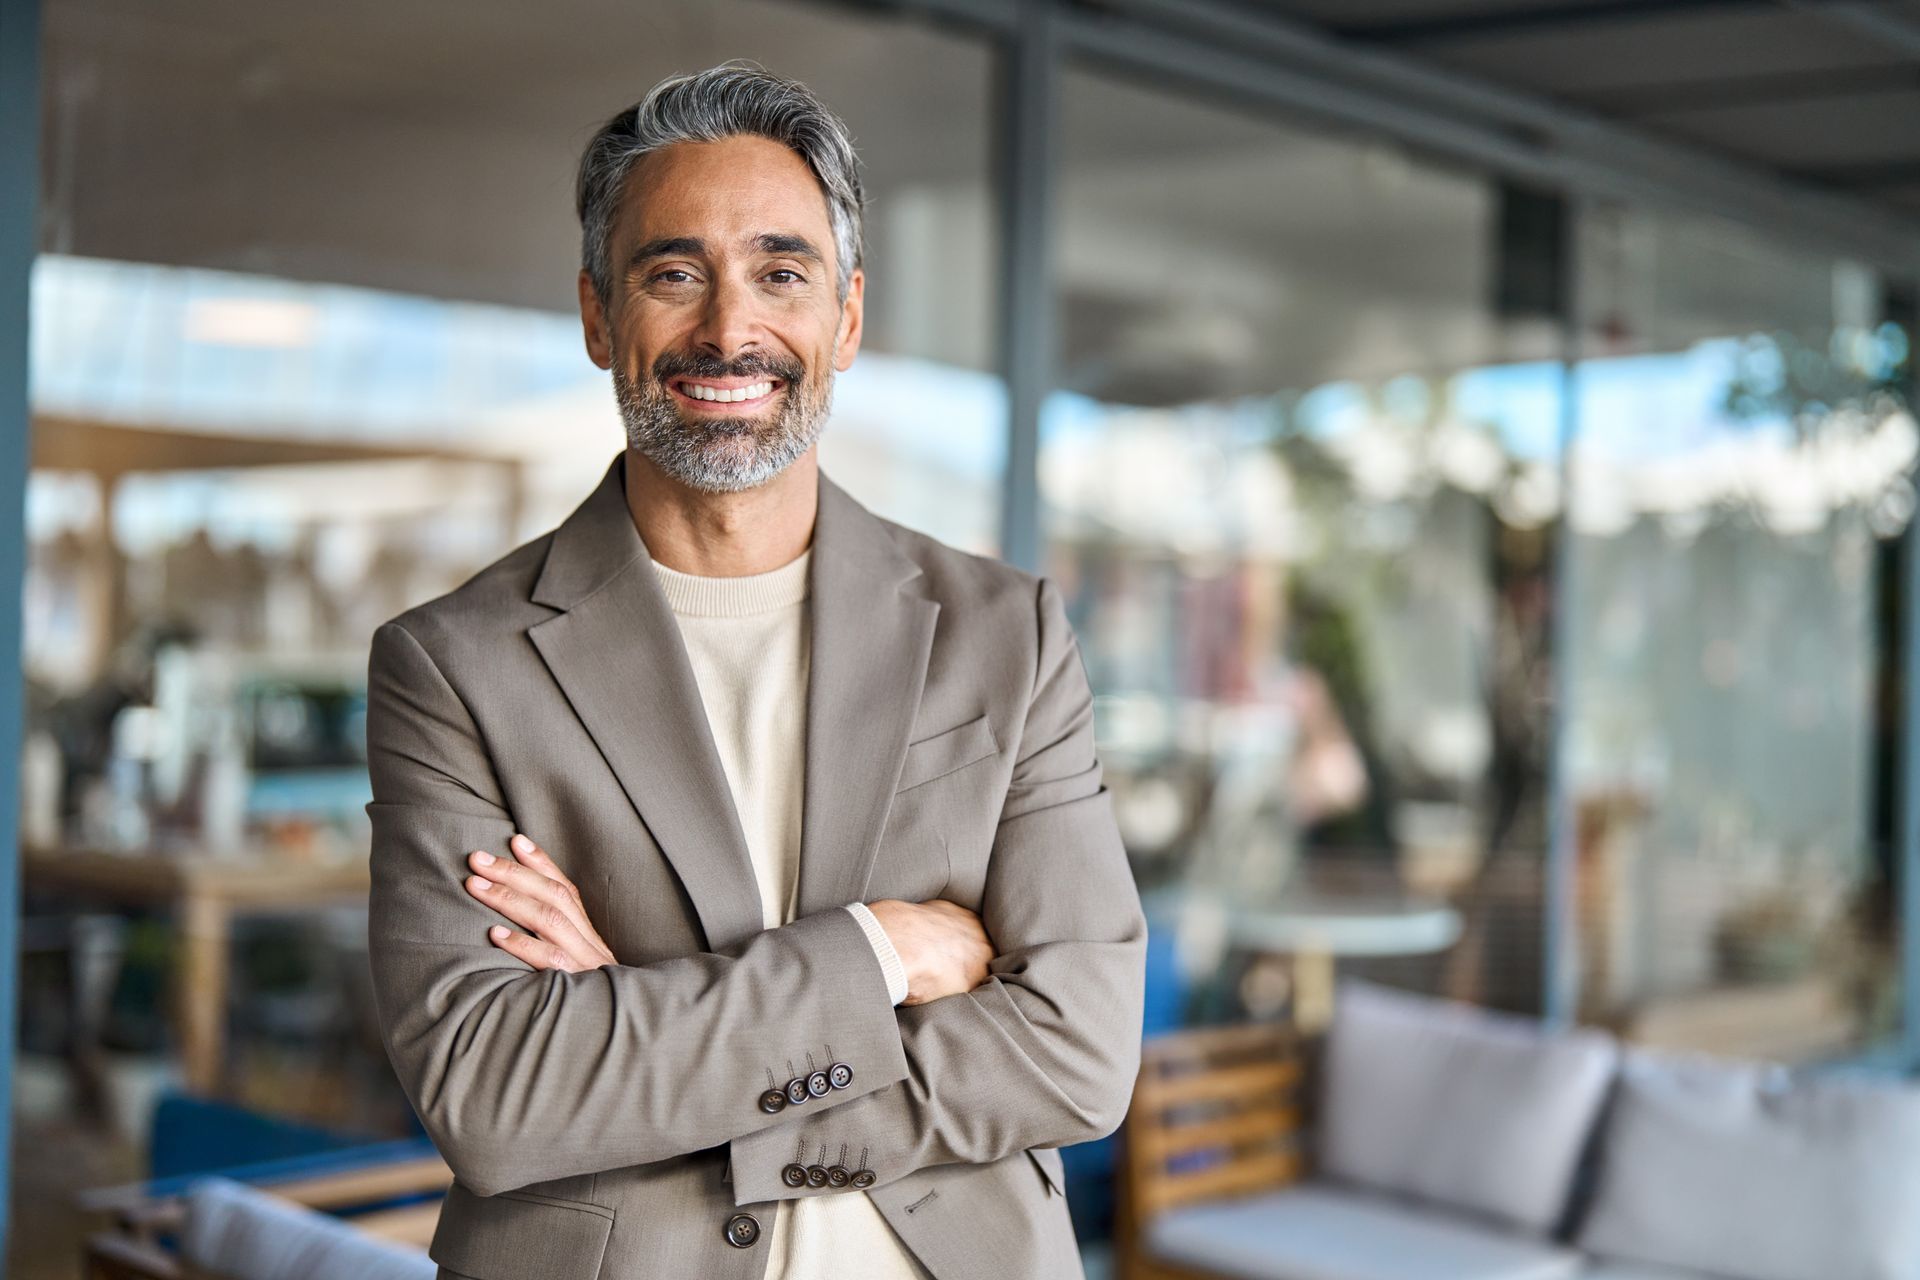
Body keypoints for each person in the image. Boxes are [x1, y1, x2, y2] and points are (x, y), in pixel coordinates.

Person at [362, 62, 1147, 1280]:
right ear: (595, 314)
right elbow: (497, 1090)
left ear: (845, 318)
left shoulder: (1011, 631)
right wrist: (881, 953)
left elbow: (1078, 1051)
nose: (730, 329)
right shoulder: (452, 664)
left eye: (782, 273)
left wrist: (639, 1029)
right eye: (673, 273)